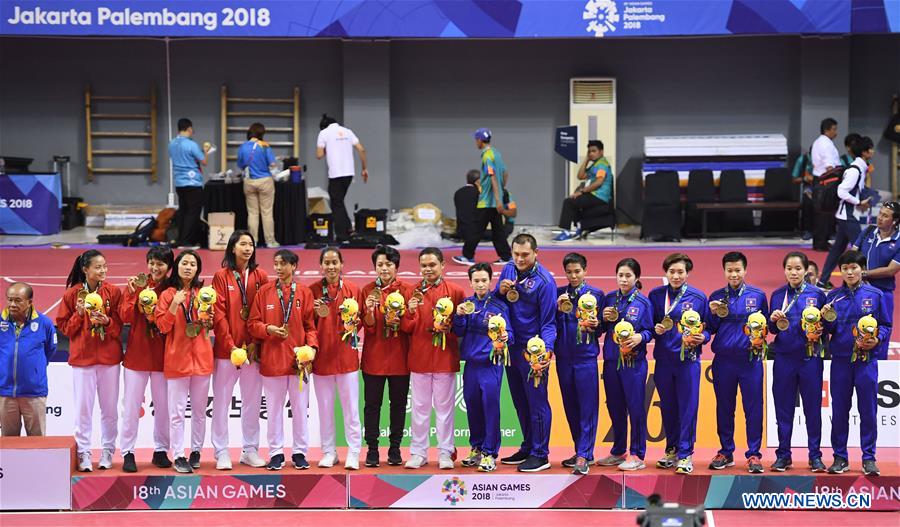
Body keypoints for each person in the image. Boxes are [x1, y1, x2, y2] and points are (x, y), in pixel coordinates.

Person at [248, 249, 318, 470]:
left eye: (283, 264)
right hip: (272, 361)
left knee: (299, 410)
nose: (278, 268)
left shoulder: (305, 292)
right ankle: (276, 452)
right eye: (276, 263)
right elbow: (252, 324)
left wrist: (312, 348)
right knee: (274, 410)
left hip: (299, 362)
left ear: (294, 266)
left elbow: (310, 326)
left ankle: (299, 452)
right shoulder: (264, 292)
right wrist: (268, 329)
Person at [823, 250, 890, 477]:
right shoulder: (832, 297)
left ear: (862, 269)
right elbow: (827, 331)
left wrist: (877, 340)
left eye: (854, 268)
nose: (850, 272)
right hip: (841, 361)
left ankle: (868, 458)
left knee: (868, 411)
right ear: (840, 271)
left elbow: (886, 325)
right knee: (840, 411)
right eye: (845, 268)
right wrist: (825, 319)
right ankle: (840, 457)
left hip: (866, 362)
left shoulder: (876, 294)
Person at [57, 250, 123, 472]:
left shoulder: (113, 292)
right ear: (85, 269)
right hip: (83, 360)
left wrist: (107, 321)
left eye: (105, 266)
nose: (103, 270)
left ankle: (107, 450)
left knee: (109, 410)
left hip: (109, 360)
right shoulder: (72, 295)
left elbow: (120, 327)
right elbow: (65, 329)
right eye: (98, 267)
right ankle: (84, 452)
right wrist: (78, 314)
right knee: (83, 410)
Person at [495, 234, 557, 472]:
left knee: (537, 401)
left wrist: (546, 352)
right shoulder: (508, 269)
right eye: (516, 254)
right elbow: (499, 302)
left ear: (536, 253)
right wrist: (499, 291)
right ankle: (529, 445)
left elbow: (549, 322)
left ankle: (541, 454)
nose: (519, 259)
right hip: (511, 348)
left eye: (525, 255)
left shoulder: (545, 282)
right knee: (520, 401)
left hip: (533, 353)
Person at [705, 252, 769, 474]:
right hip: (723, 361)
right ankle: (726, 451)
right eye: (729, 270)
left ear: (745, 270)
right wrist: (712, 314)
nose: (734, 274)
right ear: (724, 271)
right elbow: (709, 328)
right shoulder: (715, 296)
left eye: (737, 270)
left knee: (753, 409)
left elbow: (765, 328)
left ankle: (753, 454)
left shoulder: (758, 296)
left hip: (749, 361)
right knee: (724, 408)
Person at [211, 230, 269, 470]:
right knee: (222, 402)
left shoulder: (261, 275)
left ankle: (250, 449)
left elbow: (265, 311)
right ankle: (221, 451)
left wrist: (256, 342)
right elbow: (219, 314)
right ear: (232, 248)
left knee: (252, 402)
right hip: (227, 351)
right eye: (242, 244)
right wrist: (230, 345)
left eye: (251, 244)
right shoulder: (221, 276)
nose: (247, 248)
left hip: (253, 351)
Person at [404, 247, 466, 469]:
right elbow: (406, 327)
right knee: (420, 408)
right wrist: (409, 311)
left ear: (442, 265)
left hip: (444, 357)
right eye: (424, 265)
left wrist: (451, 325)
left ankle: (445, 452)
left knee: (445, 408)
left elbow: (462, 327)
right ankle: (418, 452)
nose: (428, 269)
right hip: (419, 357)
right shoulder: (411, 292)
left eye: (432, 265)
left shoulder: (456, 291)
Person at [649, 253, 709, 475]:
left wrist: (705, 338)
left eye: (680, 272)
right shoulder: (656, 296)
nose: (676, 276)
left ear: (687, 273)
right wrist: (654, 330)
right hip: (664, 361)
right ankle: (671, 450)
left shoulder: (698, 297)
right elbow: (649, 324)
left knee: (688, 408)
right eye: (672, 271)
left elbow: (708, 327)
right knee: (668, 407)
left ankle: (686, 454)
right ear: (665, 272)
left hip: (688, 362)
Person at [155, 250, 214, 473]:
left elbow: (211, 324)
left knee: (199, 411)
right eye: (184, 263)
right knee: (177, 412)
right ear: (177, 267)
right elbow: (162, 327)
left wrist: (208, 316)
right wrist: (173, 305)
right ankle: (178, 454)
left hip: (202, 359)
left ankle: (196, 451)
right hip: (177, 361)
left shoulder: (204, 293)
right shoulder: (168, 294)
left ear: (198, 269)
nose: (188, 267)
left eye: (192, 264)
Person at [768, 251, 827, 473]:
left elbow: (827, 327)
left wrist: (821, 331)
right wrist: (772, 321)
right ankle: (783, 455)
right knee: (783, 410)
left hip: (810, 359)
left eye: (798, 269)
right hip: (784, 359)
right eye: (790, 268)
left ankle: (815, 456)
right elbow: (771, 330)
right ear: (784, 270)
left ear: (806, 271)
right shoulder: (776, 295)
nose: (794, 272)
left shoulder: (818, 295)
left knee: (812, 409)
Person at [453, 262, 514, 473]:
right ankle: (476, 448)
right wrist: (459, 316)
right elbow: (458, 332)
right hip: (470, 366)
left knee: (490, 408)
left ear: (490, 281)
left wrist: (506, 337)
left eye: (484, 280)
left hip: (491, 364)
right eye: (476, 281)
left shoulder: (499, 306)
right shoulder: (466, 304)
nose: (480, 284)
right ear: (470, 282)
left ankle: (490, 453)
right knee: (473, 408)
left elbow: (511, 334)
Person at [118, 246, 174, 472]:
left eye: (160, 263)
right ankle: (128, 452)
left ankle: (161, 450)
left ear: (169, 267)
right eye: (151, 262)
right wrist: (132, 296)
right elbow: (124, 316)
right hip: (137, 357)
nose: (155, 267)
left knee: (164, 408)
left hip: (163, 358)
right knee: (131, 408)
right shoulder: (136, 285)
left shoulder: (173, 289)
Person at [360, 245, 416, 467]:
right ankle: (372, 449)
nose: (384, 269)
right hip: (374, 358)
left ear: (396, 267)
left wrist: (400, 321)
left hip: (400, 358)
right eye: (380, 265)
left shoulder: (408, 290)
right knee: (372, 405)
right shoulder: (367, 291)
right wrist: (370, 312)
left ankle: (395, 448)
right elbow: (368, 327)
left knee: (398, 405)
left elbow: (412, 325)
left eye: (388, 264)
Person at [309, 247, 364, 470]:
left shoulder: (352, 289)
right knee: (325, 409)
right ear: (321, 266)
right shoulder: (311, 291)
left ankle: (353, 451)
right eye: (327, 263)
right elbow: (307, 324)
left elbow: (359, 322)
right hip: (321, 359)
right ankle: (328, 451)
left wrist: (354, 323)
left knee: (351, 409)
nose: (331, 267)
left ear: (342, 265)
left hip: (346, 359)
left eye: (335, 262)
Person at [597, 258, 653, 471]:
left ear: (637, 277)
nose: (624, 279)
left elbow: (650, 330)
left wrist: (640, 337)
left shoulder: (643, 303)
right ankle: (618, 451)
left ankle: (637, 454)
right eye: (620, 275)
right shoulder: (609, 298)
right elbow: (600, 329)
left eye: (628, 275)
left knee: (635, 408)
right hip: (611, 361)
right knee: (614, 406)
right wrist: (602, 318)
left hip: (634, 363)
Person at [554, 253, 603, 475]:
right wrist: (555, 308)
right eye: (569, 272)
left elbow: (604, 328)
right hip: (563, 359)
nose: (573, 276)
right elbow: (549, 324)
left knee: (587, 408)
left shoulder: (597, 295)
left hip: (585, 359)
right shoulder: (558, 295)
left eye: (577, 271)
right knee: (571, 407)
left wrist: (597, 324)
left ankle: (584, 454)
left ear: (585, 270)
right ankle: (580, 450)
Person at [817, 136, 874, 289]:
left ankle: (823, 281)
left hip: (846, 215)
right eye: (870, 149)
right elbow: (841, 191)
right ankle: (859, 282)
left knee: (837, 250)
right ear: (864, 152)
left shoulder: (860, 167)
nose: (872, 152)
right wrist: (858, 202)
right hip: (848, 216)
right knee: (861, 249)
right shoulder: (855, 170)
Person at [0, 282, 56, 437]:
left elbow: (50, 350)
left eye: (18, 300)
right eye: (9, 299)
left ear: (30, 302)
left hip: (34, 393)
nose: (12, 304)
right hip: (5, 393)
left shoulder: (45, 323)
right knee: (8, 443)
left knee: (37, 442)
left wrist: (34, 370)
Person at [453, 128, 512, 266]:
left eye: (476, 140)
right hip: (495, 199)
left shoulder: (486, 156)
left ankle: (467, 256)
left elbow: (492, 177)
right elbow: (505, 173)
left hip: (487, 200)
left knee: (475, 228)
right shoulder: (496, 153)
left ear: (479, 140)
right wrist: (501, 192)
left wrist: (496, 199)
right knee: (498, 230)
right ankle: (506, 256)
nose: (476, 142)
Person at [851, 200, 900, 343]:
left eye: (885, 216)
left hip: (883, 292)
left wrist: (863, 274)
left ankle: (880, 363)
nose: (880, 217)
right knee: (856, 329)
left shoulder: (898, 241)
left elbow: (891, 270)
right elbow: (852, 255)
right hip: (860, 290)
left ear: (895, 221)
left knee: (881, 331)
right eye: (880, 213)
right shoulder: (868, 231)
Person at [316, 114, 368, 242]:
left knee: (336, 203)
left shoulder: (324, 133)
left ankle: (342, 234)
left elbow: (319, 155)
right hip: (349, 174)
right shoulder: (347, 131)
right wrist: (364, 168)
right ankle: (348, 228)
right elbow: (361, 149)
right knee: (339, 200)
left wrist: (328, 149)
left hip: (335, 174)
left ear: (323, 126)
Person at [554, 140, 613, 242]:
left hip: (600, 196)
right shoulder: (595, 165)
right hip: (594, 194)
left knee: (569, 202)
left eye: (594, 151)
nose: (591, 154)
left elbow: (599, 182)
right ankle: (579, 228)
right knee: (575, 201)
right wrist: (586, 159)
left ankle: (566, 232)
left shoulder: (602, 164)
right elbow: (580, 176)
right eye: (589, 152)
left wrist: (581, 192)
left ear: (601, 152)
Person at [169, 118, 211, 248]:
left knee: (183, 211)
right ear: (189, 129)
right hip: (193, 183)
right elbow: (204, 161)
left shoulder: (172, 143)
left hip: (179, 182)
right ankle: (186, 241)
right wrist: (206, 151)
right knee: (193, 213)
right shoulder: (191, 144)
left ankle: (180, 239)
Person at [237, 123, 279, 248]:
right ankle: (270, 241)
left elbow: (240, 165)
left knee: (252, 213)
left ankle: (252, 241)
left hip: (249, 182)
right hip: (265, 181)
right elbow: (272, 164)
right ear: (261, 134)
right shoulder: (264, 146)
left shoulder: (243, 147)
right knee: (266, 212)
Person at [810, 118, 840, 252]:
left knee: (821, 213)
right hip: (826, 181)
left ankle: (820, 241)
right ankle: (821, 243)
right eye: (834, 129)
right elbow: (829, 167)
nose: (836, 132)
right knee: (825, 213)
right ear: (827, 130)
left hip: (820, 180)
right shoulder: (825, 144)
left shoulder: (818, 142)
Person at [453, 170, 481, 242]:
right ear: (478, 181)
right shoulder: (478, 194)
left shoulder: (458, 192)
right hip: (475, 232)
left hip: (460, 231)